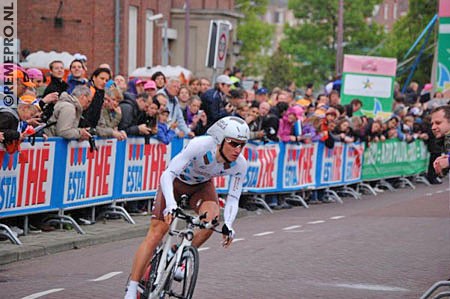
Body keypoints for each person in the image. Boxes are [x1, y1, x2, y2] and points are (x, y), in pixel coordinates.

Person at [124, 116, 250, 299]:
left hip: (201, 187)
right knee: (157, 233)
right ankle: (132, 287)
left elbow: (233, 197)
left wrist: (229, 224)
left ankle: (177, 254)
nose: (237, 150)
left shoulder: (239, 164)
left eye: (242, 145)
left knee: (211, 221)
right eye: (233, 143)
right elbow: (168, 174)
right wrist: (171, 205)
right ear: (220, 139)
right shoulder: (200, 145)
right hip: (175, 183)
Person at [431, 106, 450, 176]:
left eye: (438, 123)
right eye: (432, 124)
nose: (433, 127)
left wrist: (448, 161)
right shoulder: (446, 138)